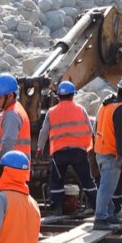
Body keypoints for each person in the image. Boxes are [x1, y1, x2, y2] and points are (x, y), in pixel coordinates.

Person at [36, 81, 96, 213]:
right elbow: (91, 130)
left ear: (58, 96)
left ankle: (57, 208)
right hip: (79, 152)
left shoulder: (51, 112)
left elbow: (44, 132)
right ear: (72, 96)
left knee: (56, 181)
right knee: (87, 179)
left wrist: (40, 148)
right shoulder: (81, 109)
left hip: (60, 153)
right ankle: (94, 206)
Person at [92, 73, 122, 230]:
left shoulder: (105, 105)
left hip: (100, 151)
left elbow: (95, 128)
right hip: (112, 154)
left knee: (108, 187)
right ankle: (100, 218)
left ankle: (110, 214)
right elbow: (121, 136)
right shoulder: (121, 110)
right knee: (106, 188)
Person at [0, 73, 31, 181]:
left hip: (7, 176)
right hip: (11, 174)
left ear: (10, 96)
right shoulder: (14, 110)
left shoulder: (12, 115)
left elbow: (7, 145)